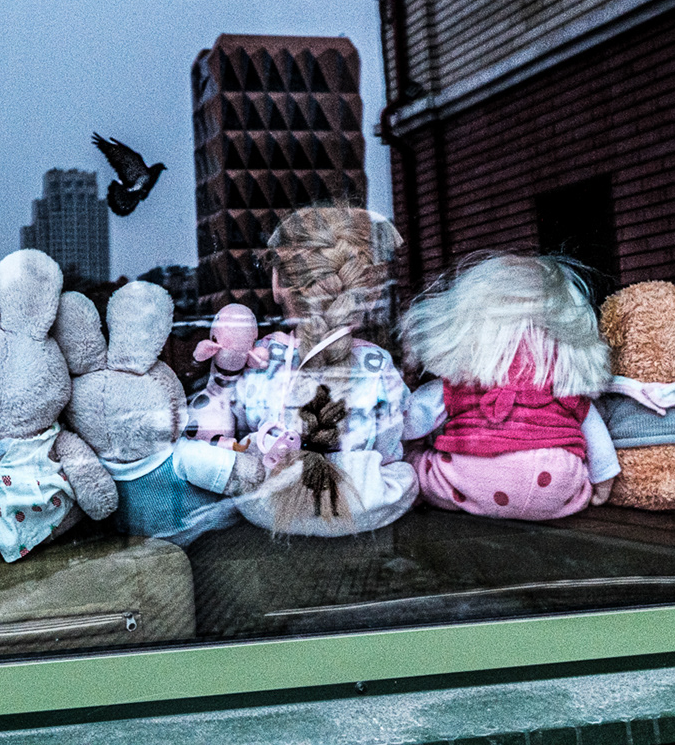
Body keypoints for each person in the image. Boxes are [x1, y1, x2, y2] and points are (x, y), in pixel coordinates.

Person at [229, 206, 422, 535]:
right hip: (366, 510)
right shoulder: (377, 366)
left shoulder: (260, 360)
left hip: (267, 513)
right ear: (371, 295)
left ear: (277, 284)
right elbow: (391, 445)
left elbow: (236, 422)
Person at [398, 254, 620, 519]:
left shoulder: (464, 379)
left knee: (417, 467)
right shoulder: (562, 380)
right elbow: (595, 433)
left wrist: (402, 445)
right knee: (573, 471)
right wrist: (603, 478)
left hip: (472, 476)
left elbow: (413, 420)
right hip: (556, 486)